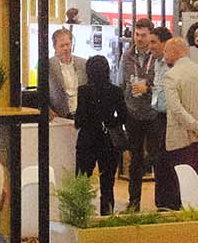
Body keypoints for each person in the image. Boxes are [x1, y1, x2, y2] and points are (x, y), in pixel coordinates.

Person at [159, 37, 198, 206]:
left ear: (175, 52)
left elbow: (176, 109)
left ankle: (184, 213)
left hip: (181, 137)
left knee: (182, 178)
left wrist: (197, 128)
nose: (164, 56)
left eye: (166, 51)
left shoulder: (170, 76)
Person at [74, 55, 125, 216]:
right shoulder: (116, 91)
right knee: (108, 182)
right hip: (108, 140)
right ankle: (107, 214)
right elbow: (124, 116)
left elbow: (79, 119)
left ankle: (81, 213)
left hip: (87, 139)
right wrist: (110, 122)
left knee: (82, 179)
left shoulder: (83, 91)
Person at [119, 19, 162, 211]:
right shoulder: (127, 56)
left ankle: (161, 202)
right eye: (137, 35)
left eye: (144, 35)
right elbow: (121, 83)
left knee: (155, 156)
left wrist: (148, 88)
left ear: (151, 35)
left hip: (154, 113)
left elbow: (163, 84)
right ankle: (133, 202)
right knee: (135, 158)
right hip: (133, 113)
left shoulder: (158, 56)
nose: (140, 39)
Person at [147, 26, 180, 209]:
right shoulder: (156, 63)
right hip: (158, 117)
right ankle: (161, 204)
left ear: (165, 43)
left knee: (168, 162)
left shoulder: (174, 65)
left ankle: (171, 204)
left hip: (171, 118)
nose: (150, 46)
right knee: (158, 162)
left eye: (154, 42)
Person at [46, 28, 87, 120]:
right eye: (61, 46)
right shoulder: (48, 66)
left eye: (68, 44)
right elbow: (41, 93)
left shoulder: (83, 63)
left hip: (82, 115)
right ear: (55, 47)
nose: (66, 48)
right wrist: (48, 110)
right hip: (59, 116)